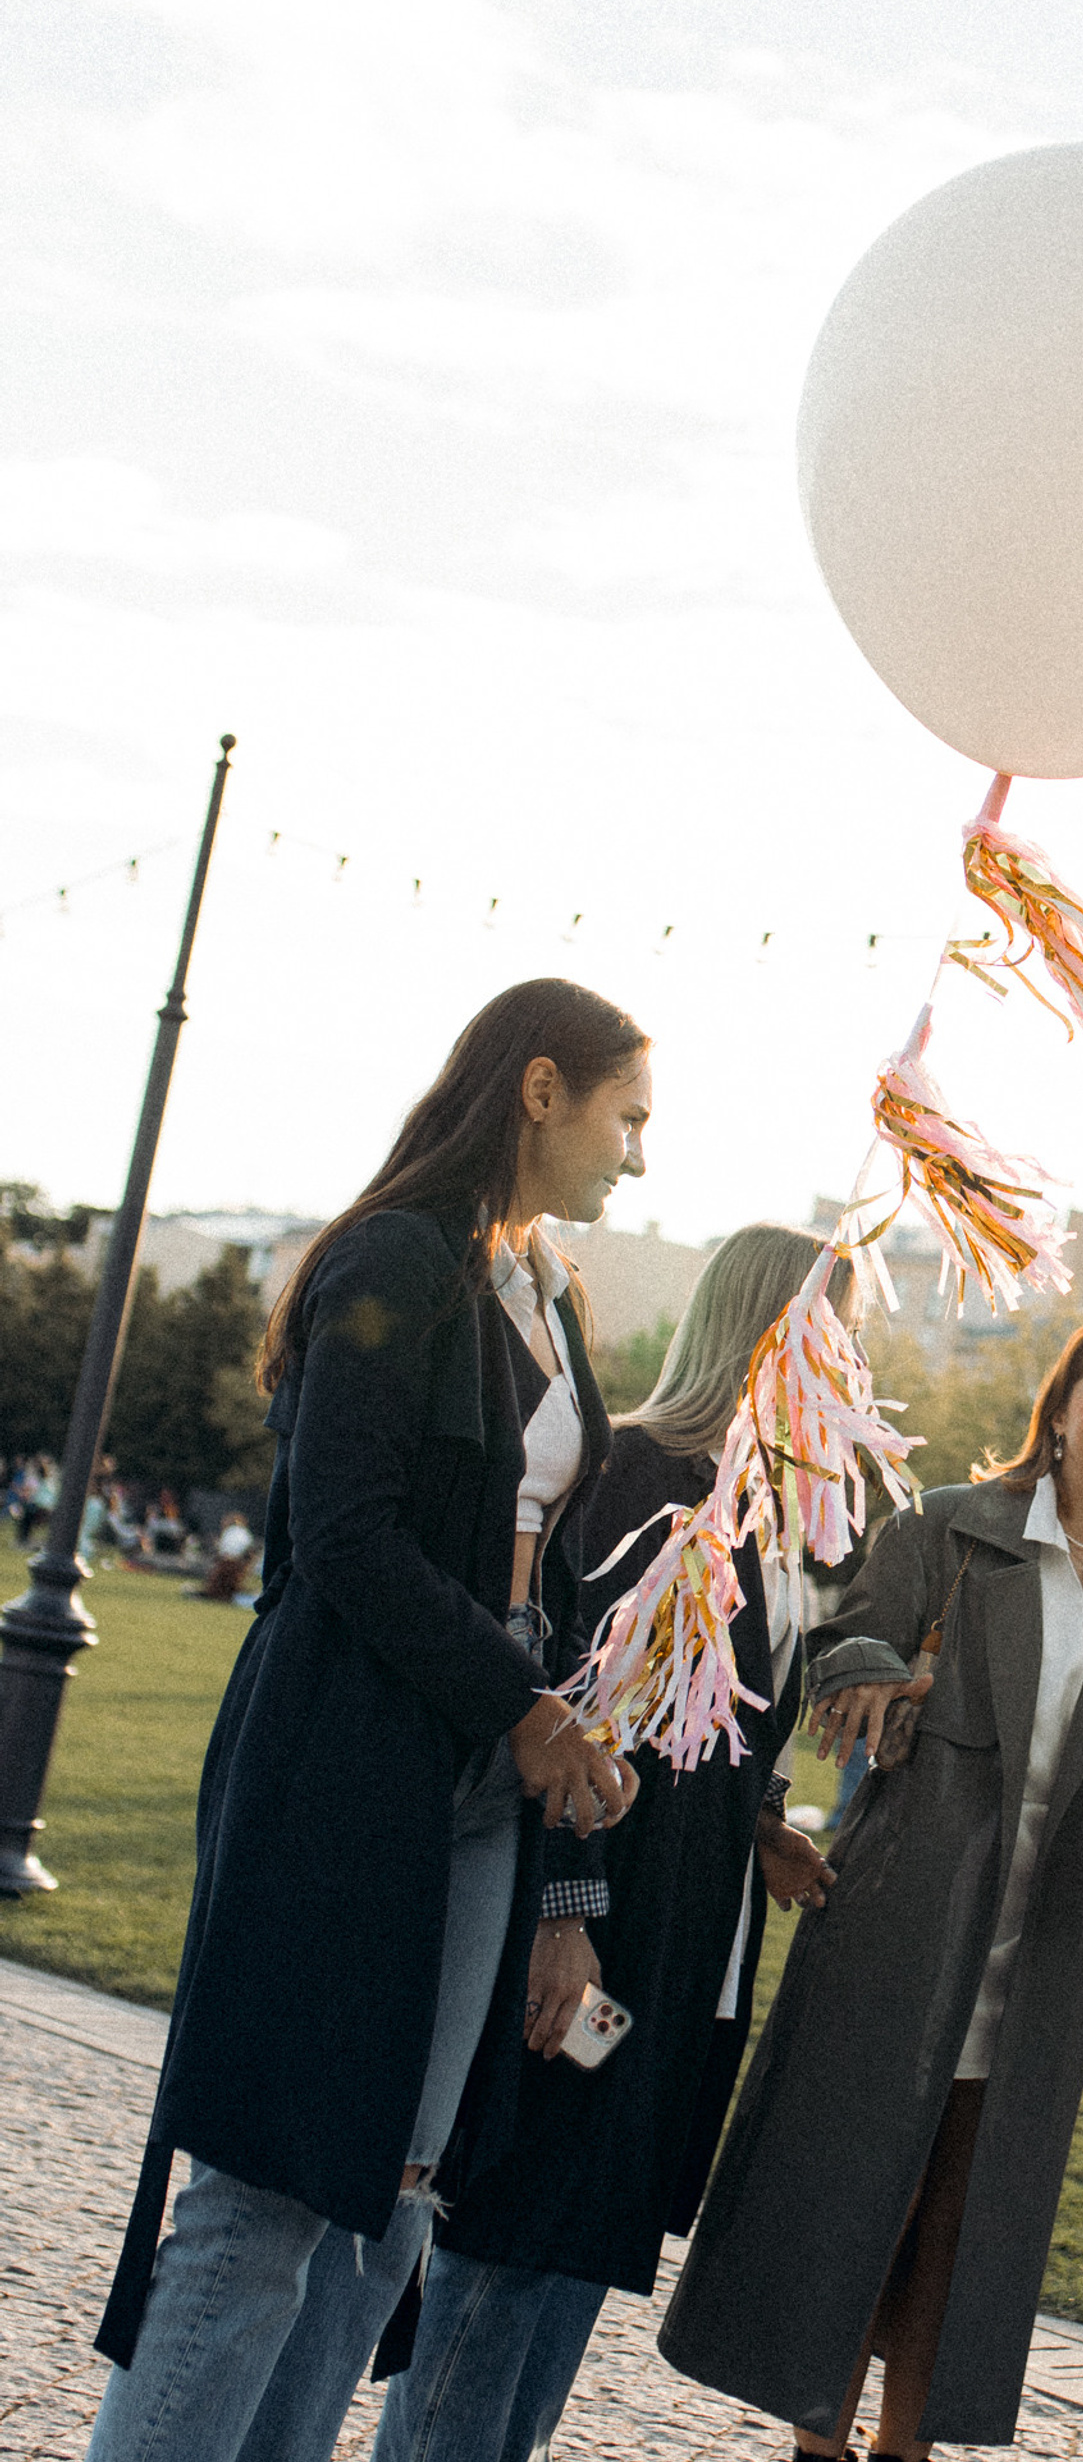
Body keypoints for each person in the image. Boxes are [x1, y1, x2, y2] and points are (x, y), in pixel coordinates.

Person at [87, 980, 651, 2462]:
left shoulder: (552, 1290)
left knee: (394, 2204)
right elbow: (342, 1530)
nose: (640, 1155)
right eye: (628, 1117)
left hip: (484, 1779)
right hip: (345, 1756)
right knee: (266, 2197)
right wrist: (519, 1705)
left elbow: (548, 1570)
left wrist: (561, 1773)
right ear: (542, 1089)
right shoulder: (395, 1257)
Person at [658, 1312, 1083, 2460]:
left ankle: (905, 2449)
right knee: (857, 2199)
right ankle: (817, 2445)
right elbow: (850, 1635)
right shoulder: (948, 1527)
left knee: (962, 2233)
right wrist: (868, 1675)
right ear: (1059, 1410)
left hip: (1047, 1955)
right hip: (901, 1920)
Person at [373, 1223, 845, 2462]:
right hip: (602, 1927)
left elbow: (715, 1730)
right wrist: (564, 1913)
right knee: (516, 2237)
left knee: (579, 2249)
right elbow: (574, 1713)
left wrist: (762, 1829)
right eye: (835, 1331)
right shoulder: (642, 1475)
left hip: (689, 1945)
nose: (851, 1364)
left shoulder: (773, 1516)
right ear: (768, 1332)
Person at [191, 1512, 259, 1603]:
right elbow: (250, 1553)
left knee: (218, 1589)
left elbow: (224, 1552)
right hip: (239, 1566)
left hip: (229, 1565)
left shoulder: (230, 1532)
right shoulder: (246, 1533)